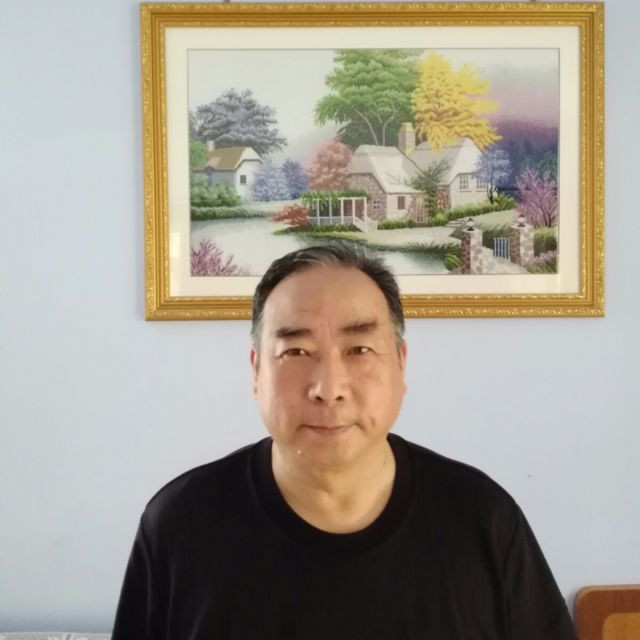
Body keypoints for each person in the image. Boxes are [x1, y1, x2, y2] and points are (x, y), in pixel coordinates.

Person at [112, 244, 577, 639]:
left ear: (401, 364)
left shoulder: (483, 519)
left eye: (359, 350)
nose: (328, 387)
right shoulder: (180, 526)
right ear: (256, 370)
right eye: (296, 351)